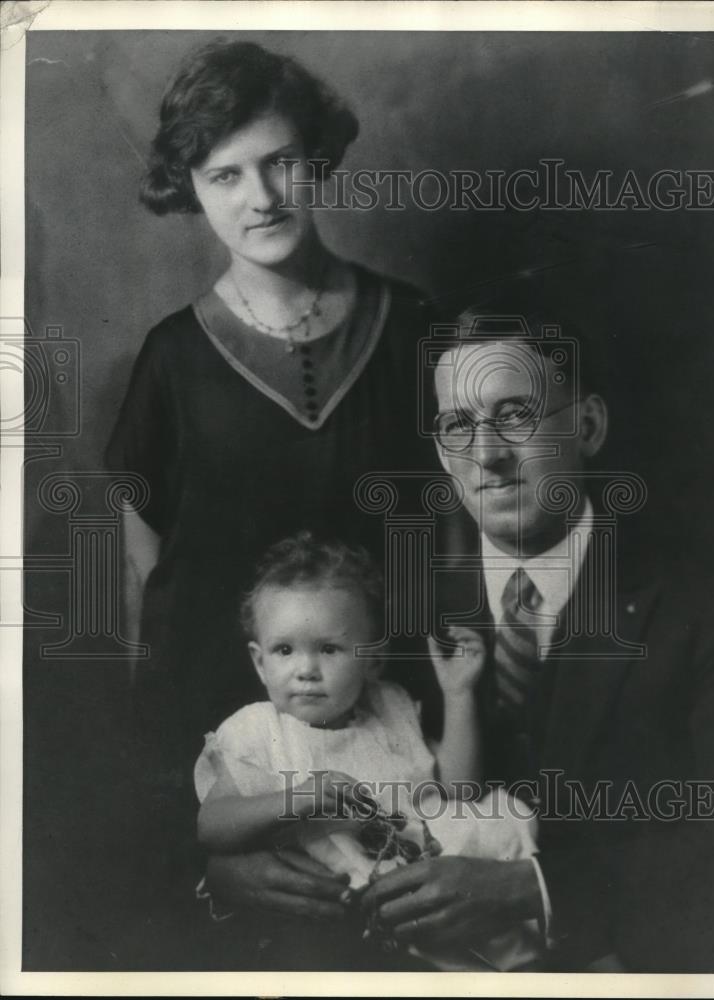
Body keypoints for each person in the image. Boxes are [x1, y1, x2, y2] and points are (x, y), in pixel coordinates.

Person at [104, 39, 438, 954]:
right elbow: (151, 570)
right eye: (225, 175)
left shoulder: (410, 326)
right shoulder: (174, 356)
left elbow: (458, 547)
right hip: (236, 751)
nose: (261, 198)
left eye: (281, 162)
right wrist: (214, 838)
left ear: (317, 158)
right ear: (192, 191)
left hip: (397, 734)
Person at [356, 302, 714, 972]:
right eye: (459, 426)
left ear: (587, 426)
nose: (490, 456)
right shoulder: (393, 614)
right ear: (443, 453)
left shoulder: (706, 606)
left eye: (515, 415)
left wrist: (532, 889)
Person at [193, 531, 542, 971]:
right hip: (348, 916)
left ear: (373, 660)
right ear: (260, 662)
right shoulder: (258, 731)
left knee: (498, 825)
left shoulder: (388, 707)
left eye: (329, 649)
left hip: (431, 880)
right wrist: (298, 797)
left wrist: (459, 694)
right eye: (284, 650)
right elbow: (212, 825)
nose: (305, 670)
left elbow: (460, 790)